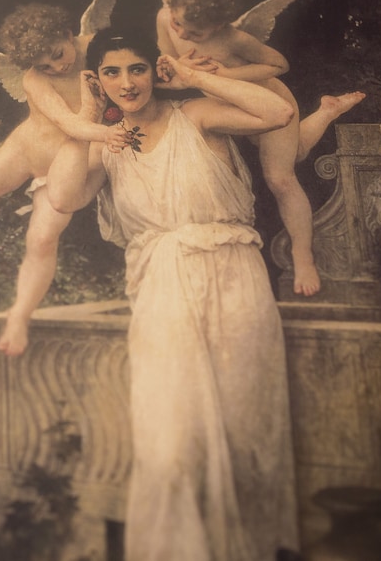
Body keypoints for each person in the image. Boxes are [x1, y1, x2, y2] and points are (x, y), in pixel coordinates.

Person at [48, 28, 300, 560]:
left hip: (235, 279)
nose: (126, 83)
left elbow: (278, 112)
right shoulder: (109, 144)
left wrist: (189, 76)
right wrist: (87, 119)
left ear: (154, 69)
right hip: (161, 286)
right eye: (111, 72)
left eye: (137, 68)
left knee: (245, 427)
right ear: (97, 79)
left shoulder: (197, 115)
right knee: (170, 440)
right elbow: (64, 197)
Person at [0, 4, 129, 357]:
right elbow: (69, 123)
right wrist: (111, 133)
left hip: (78, 158)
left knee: (42, 239)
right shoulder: (34, 79)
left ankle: (19, 315)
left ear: (68, 34)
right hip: (28, 149)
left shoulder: (101, 49)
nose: (56, 67)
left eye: (58, 55)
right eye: (44, 65)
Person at [155, 0, 365, 297]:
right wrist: (171, 65)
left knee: (281, 177)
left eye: (194, 32)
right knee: (295, 152)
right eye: (178, 23)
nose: (180, 31)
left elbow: (279, 65)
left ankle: (303, 256)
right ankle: (328, 110)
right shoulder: (165, 16)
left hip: (268, 101)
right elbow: (167, 51)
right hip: (226, 105)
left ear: (218, 26)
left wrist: (229, 75)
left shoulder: (233, 37)